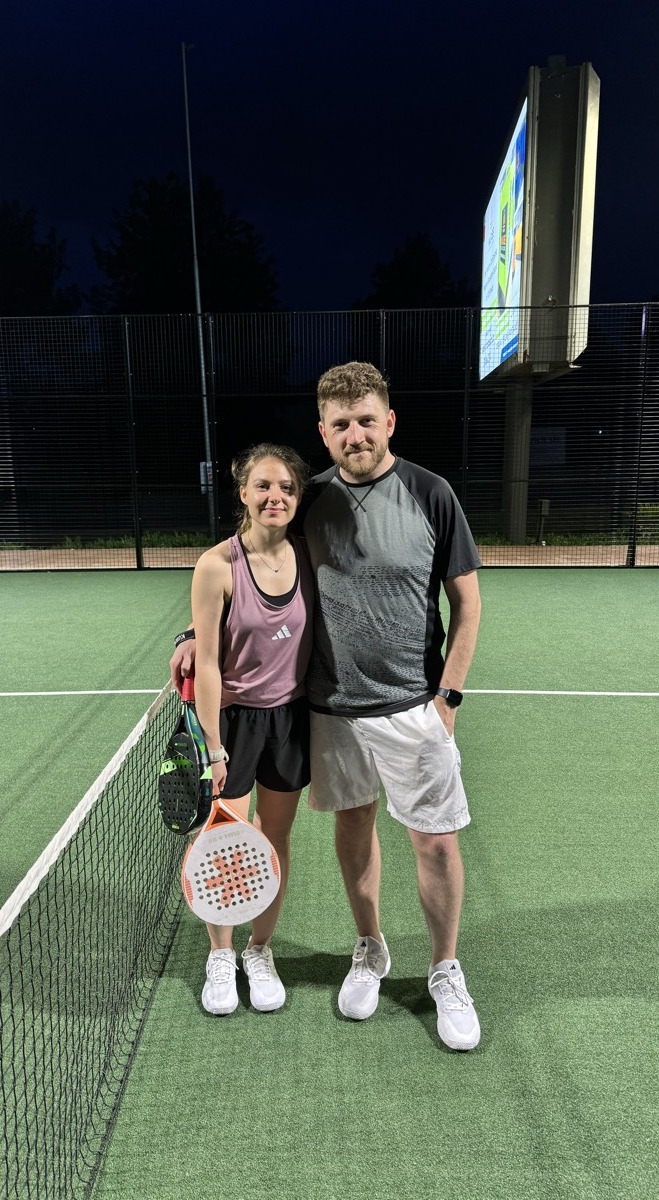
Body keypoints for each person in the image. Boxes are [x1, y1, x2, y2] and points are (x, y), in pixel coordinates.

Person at [173, 363, 482, 1050]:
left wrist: (448, 698)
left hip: (412, 707)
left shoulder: (432, 494)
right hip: (331, 710)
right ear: (323, 431)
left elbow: (467, 602)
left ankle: (445, 970)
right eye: (340, 424)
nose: (355, 434)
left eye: (366, 420)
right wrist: (191, 637)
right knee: (353, 832)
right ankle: (369, 948)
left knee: (434, 842)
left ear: (389, 422)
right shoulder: (307, 498)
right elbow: (250, 560)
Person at [184, 443, 314, 1017]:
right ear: (242, 492)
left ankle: (260, 951)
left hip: (291, 719)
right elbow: (208, 661)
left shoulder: (311, 556)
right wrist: (214, 747)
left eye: (286, 487)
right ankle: (220, 955)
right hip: (234, 725)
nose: (274, 497)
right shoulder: (217, 565)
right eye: (263, 486)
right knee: (222, 843)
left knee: (275, 839)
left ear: (297, 496)